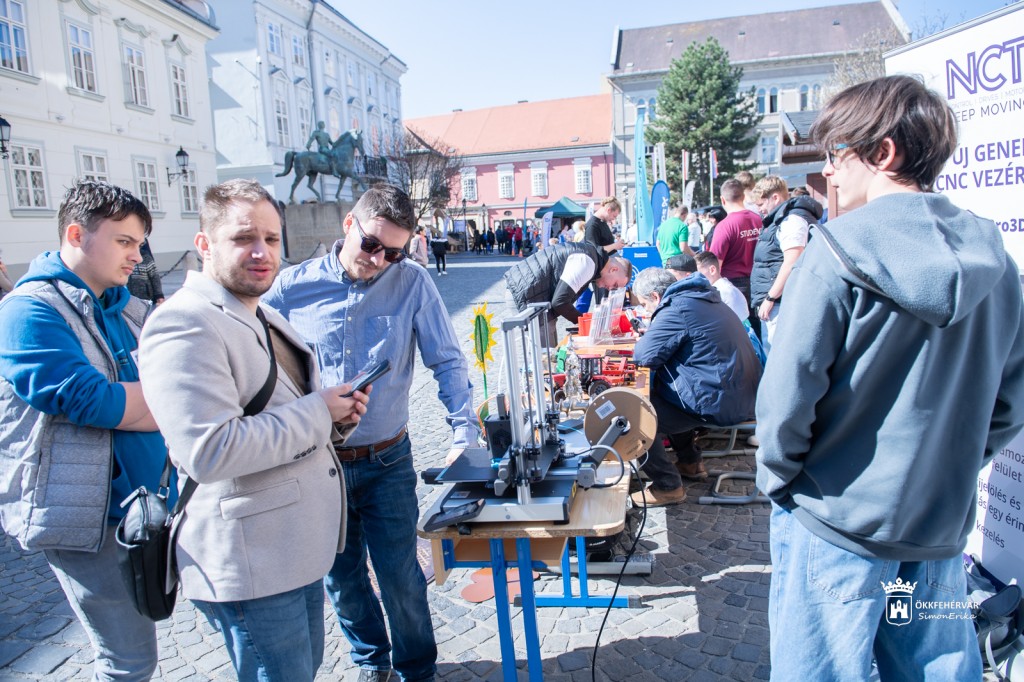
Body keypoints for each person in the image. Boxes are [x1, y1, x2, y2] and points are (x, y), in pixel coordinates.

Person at [756, 75, 1024, 681]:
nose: (829, 171)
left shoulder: (835, 252)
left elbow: (787, 396)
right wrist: (947, 466)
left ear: (883, 152)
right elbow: (1009, 402)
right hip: (936, 524)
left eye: (836, 153)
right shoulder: (999, 262)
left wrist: (784, 482)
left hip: (835, 517)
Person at [138, 179, 369, 681]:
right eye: (244, 238)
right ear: (204, 244)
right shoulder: (183, 322)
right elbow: (210, 450)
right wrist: (318, 412)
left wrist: (336, 421)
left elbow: (282, 411)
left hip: (289, 547)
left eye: (271, 237)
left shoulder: (260, 312)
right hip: (250, 560)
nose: (262, 252)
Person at [264, 184, 479, 682]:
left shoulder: (412, 283)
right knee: (341, 580)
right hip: (318, 464)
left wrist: (462, 432)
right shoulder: (292, 287)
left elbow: (447, 360)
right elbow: (246, 342)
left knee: (400, 576)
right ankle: (371, 661)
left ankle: (417, 670)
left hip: (387, 460)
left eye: (394, 252)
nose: (380, 260)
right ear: (349, 225)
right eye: (371, 245)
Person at [0, 180, 166, 680]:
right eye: (124, 241)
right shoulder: (28, 309)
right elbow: (90, 401)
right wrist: (171, 403)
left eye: (140, 243)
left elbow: (169, 384)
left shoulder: (127, 306)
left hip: (146, 508)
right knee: (128, 660)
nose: (137, 255)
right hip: (88, 520)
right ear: (76, 234)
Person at [629, 267, 761, 506]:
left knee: (634, 416)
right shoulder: (700, 298)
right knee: (664, 394)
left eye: (646, 305)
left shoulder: (676, 309)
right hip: (739, 395)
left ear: (656, 297)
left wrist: (651, 334)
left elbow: (643, 355)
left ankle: (668, 486)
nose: (647, 311)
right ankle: (690, 462)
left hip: (721, 401)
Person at [504, 241, 631, 346]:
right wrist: (585, 322)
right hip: (526, 294)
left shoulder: (592, 258)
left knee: (548, 346)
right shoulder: (587, 262)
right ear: (613, 269)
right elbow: (560, 302)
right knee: (544, 354)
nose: (610, 288)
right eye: (615, 285)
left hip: (531, 292)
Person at [749, 175, 822, 353]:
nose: (759, 209)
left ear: (775, 197)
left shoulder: (791, 221)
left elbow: (792, 261)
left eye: (761, 204)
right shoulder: (782, 219)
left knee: (778, 353)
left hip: (781, 302)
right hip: (779, 301)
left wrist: (770, 297)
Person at [709, 180, 762, 330]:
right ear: (743, 196)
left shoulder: (725, 226)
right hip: (758, 281)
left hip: (734, 286)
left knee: (738, 331)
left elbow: (714, 264)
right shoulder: (759, 219)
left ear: (722, 200)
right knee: (758, 328)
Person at [693, 251, 748, 322]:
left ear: (712, 270)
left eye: (699, 274)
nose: (695, 278)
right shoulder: (724, 288)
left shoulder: (723, 291)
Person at [126, 239, 165, 305]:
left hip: (146, 298)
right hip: (129, 299)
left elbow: (155, 277)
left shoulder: (146, 258)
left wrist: (159, 295)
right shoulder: (125, 259)